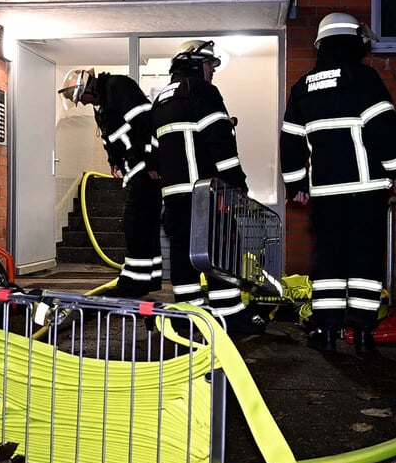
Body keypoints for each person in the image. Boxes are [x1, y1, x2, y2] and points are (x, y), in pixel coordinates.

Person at [280, 12, 396, 358]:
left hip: (324, 193)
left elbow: (290, 140)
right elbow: (384, 129)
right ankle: (363, 334)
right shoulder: (363, 78)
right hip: (366, 189)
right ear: (355, 42)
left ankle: (325, 331)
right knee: (365, 258)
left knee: (328, 261)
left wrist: (294, 184)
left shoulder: (303, 86)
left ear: (321, 45)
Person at [151, 40, 264, 333]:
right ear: (193, 64)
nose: (212, 71)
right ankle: (232, 318)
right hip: (206, 194)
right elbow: (220, 143)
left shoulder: (161, 98)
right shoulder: (202, 91)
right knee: (222, 250)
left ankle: (189, 320)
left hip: (174, 197)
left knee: (183, 255)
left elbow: (153, 154)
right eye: (208, 64)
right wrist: (237, 187)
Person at [58, 68, 163, 298]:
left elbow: (146, 123)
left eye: (81, 98)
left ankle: (135, 283)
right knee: (143, 224)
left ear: (88, 88)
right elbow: (111, 137)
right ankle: (147, 279)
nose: (82, 104)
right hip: (133, 169)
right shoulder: (102, 104)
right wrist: (113, 161)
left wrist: (153, 162)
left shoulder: (119, 87)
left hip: (146, 169)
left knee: (136, 223)